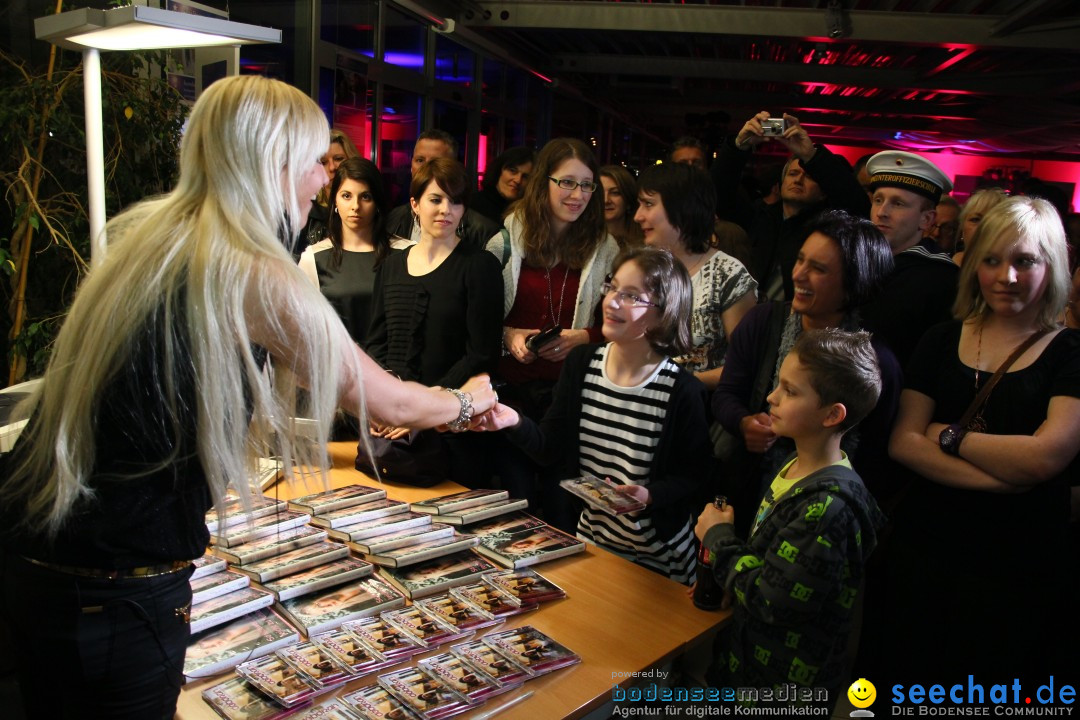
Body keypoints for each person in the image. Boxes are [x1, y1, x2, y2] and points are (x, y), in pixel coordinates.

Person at [0, 75, 496, 720]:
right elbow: (390, 402)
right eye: (318, 162)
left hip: (39, 556)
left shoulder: (153, 236)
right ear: (273, 159)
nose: (325, 181)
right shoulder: (249, 268)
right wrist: (466, 404)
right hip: (114, 580)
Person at [884, 195, 1080, 684]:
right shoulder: (940, 338)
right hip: (924, 554)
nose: (1005, 276)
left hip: (1018, 569)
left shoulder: (1070, 352)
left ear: (1052, 265)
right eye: (991, 260)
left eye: (1024, 261)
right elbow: (903, 443)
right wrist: (1000, 478)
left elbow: (1042, 458)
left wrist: (947, 435)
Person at [473, 247, 712, 584]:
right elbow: (550, 448)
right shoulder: (583, 364)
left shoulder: (681, 389)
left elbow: (694, 477)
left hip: (660, 558)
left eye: (631, 296)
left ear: (663, 313)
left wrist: (651, 495)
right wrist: (511, 420)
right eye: (612, 288)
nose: (612, 302)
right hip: (595, 540)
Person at [695, 328, 885, 704]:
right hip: (745, 666)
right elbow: (773, 568)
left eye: (790, 391)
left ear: (832, 414)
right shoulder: (793, 466)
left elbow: (772, 601)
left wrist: (719, 540)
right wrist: (730, 579)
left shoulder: (828, 509)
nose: (771, 397)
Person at [712, 211, 899, 530]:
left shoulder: (874, 362)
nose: (799, 274)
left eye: (819, 269)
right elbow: (727, 393)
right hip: (747, 492)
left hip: (820, 517)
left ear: (854, 284)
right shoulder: (763, 323)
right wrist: (744, 423)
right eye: (800, 260)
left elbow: (875, 456)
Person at [485, 138, 620, 524]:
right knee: (518, 504)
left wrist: (585, 338)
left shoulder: (606, 248)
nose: (578, 195)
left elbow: (620, 327)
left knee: (564, 508)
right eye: (567, 182)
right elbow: (478, 321)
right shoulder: (505, 242)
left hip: (572, 398)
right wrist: (509, 336)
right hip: (513, 393)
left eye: (587, 184)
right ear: (543, 181)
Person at [366, 157, 504, 485]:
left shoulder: (480, 265)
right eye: (435, 199)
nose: (446, 210)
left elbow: (481, 353)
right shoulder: (391, 266)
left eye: (456, 202)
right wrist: (388, 404)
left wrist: (422, 409)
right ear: (414, 204)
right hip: (392, 424)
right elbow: (375, 341)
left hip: (452, 427)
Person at [635, 162, 757, 389]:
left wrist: (678, 384)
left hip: (694, 406)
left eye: (648, 204)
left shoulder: (727, 274)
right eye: (639, 205)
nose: (638, 216)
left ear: (681, 208)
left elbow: (745, 366)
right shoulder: (643, 266)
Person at [859, 150, 958, 366]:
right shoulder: (856, 261)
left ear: (926, 219)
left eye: (898, 204)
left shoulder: (939, 278)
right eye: (878, 200)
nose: (881, 212)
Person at [298, 157, 408, 346]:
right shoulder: (313, 258)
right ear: (335, 202)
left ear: (377, 203)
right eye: (346, 196)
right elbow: (305, 329)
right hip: (338, 367)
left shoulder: (405, 252)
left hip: (394, 368)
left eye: (365, 196)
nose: (355, 206)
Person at [384, 130, 499, 250]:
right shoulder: (394, 218)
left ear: (452, 167)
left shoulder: (484, 232)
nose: (426, 168)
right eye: (420, 160)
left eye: (436, 162)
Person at [296, 128, 359, 257]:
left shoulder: (364, 206)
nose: (332, 167)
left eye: (338, 158)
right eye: (323, 162)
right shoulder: (304, 212)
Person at [470, 146, 535, 223]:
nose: (518, 180)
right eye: (513, 171)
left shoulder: (527, 214)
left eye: (525, 177)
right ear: (499, 170)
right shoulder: (473, 205)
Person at [951, 186, 1008, 265]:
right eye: (975, 219)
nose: (984, 227)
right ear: (962, 229)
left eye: (993, 221)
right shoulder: (941, 267)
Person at [600, 164, 645, 249]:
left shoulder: (644, 243)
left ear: (628, 199)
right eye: (600, 193)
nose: (606, 200)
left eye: (615, 193)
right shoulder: (583, 241)